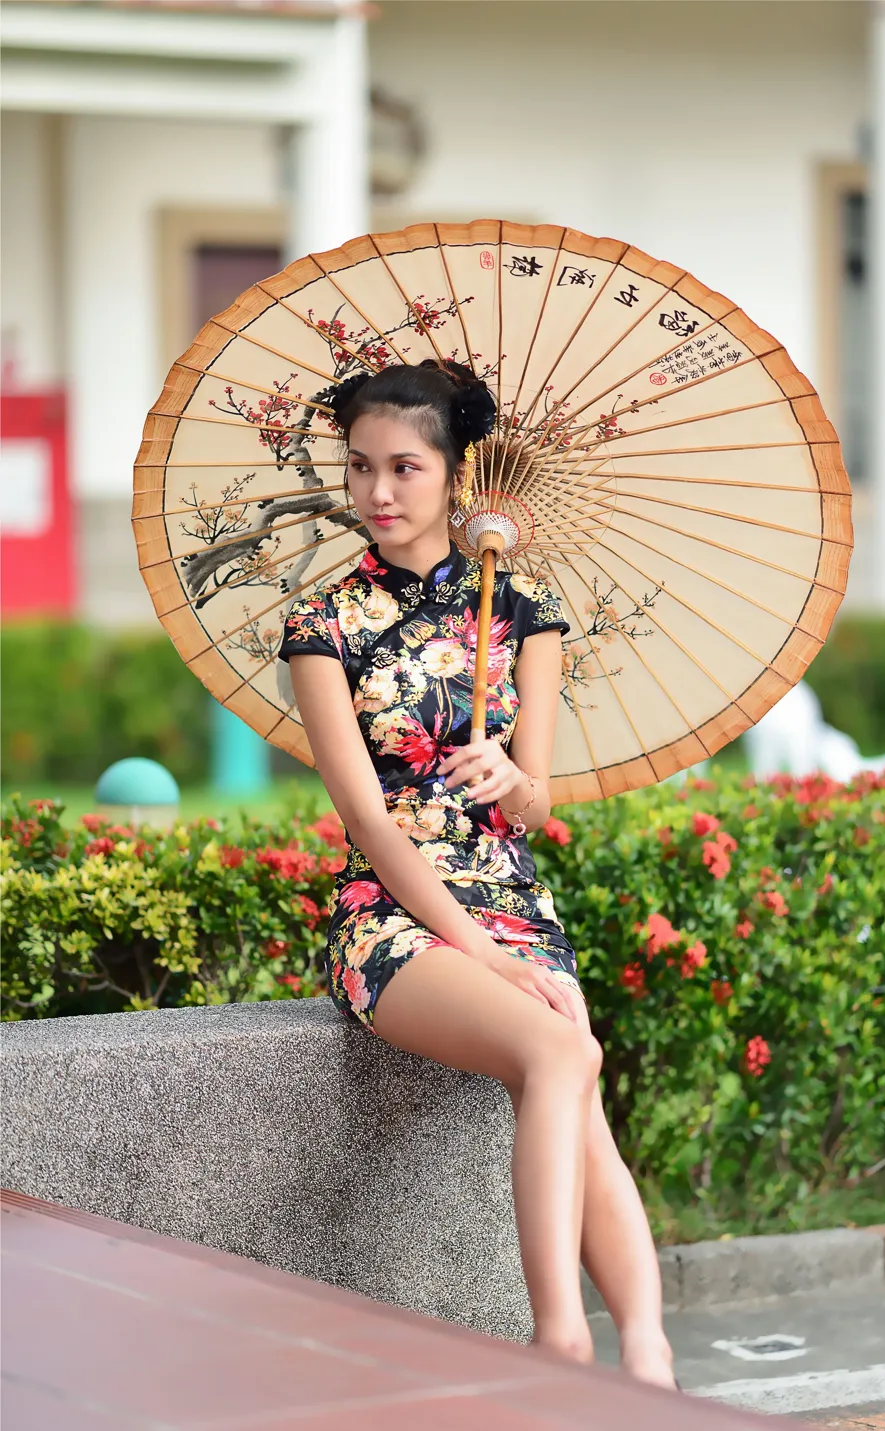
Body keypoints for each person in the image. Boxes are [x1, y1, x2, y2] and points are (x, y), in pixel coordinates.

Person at [278, 358, 676, 1389]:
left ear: (455, 474)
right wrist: (477, 955)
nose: (378, 492)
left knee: (576, 1078)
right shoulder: (322, 629)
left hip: (512, 895)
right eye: (361, 467)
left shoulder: (524, 617)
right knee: (556, 1052)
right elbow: (366, 818)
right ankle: (560, 1342)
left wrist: (512, 776)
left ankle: (650, 1358)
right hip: (397, 915)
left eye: (405, 467)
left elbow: (537, 801)